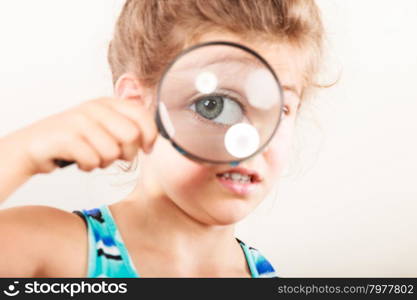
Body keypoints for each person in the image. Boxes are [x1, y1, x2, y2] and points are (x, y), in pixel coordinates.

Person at [0, 0, 324, 277]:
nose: (250, 142)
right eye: (213, 105)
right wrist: (20, 153)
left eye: (278, 109)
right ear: (136, 105)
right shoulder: (55, 251)